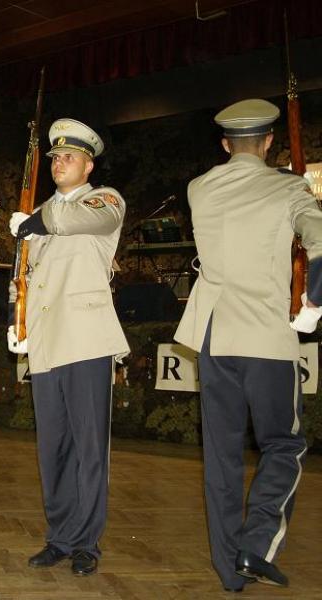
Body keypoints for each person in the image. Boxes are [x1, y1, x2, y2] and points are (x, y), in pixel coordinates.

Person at [174, 99, 322, 591]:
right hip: (265, 336)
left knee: (222, 456)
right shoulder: (288, 187)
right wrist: (314, 301)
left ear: (225, 144)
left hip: (214, 335)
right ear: (269, 141)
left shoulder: (198, 188)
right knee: (284, 444)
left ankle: (228, 570)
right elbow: (320, 241)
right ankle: (255, 547)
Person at [8, 119, 129, 576]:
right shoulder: (38, 213)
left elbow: (71, 219)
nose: (59, 163)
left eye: (69, 157)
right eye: (56, 157)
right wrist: (15, 318)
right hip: (45, 343)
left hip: (86, 340)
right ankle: (59, 537)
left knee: (88, 448)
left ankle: (86, 543)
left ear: (88, 165)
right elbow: (24, 277)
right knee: (53, 448)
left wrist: (33, 223)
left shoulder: (105, 201)